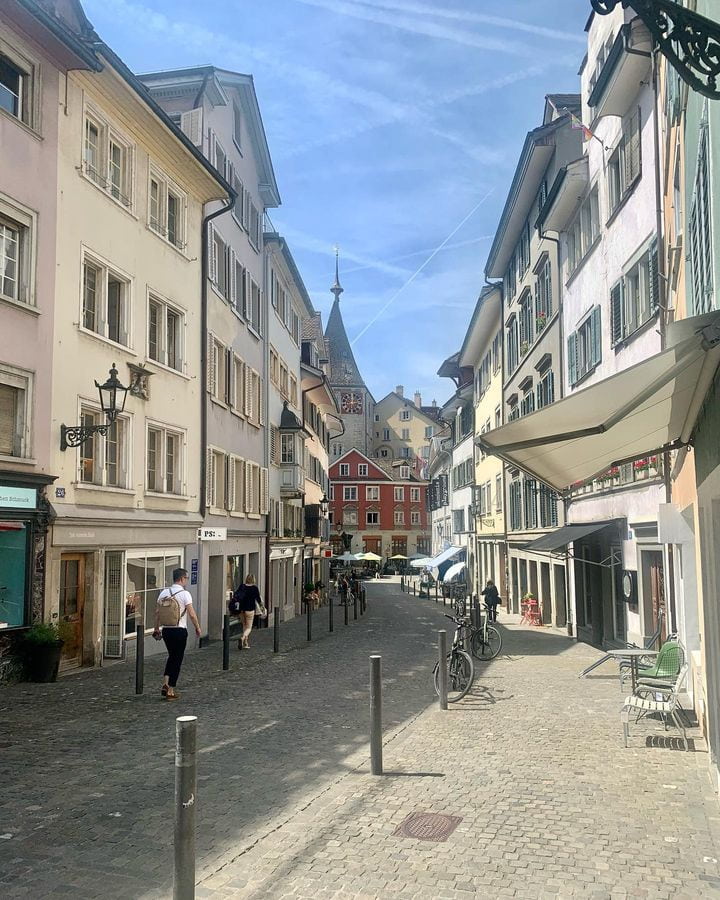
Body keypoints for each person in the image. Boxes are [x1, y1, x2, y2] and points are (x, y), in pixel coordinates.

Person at [153, 567, 201, 700]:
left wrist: (156, 629)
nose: (187, 580)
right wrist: (197, 627)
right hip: (179, 630)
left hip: (166, 630)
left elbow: (157, 613)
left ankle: (165, 682)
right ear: (182, 578)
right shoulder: (185, 594)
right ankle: (170, 690)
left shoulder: (164, 593)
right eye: (186, 578)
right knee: (177, 659)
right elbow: (192, 614)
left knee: (171, 656)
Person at [233, 574, 262, 649]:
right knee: (249, 628)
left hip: (241, 610)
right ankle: (242, 638)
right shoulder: (254, 588)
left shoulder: (242, 586)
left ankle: (245, 643)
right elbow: (258, 599)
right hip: (250, 609)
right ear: (253, 580)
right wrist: (262, 607)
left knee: (244, 625)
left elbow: (236, 595)